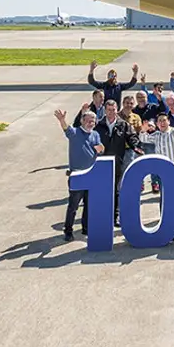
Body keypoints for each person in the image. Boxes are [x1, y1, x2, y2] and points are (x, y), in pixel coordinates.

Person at [136, 112, 174, 240]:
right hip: (163, 170)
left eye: (164, 120)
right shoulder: (155, 135)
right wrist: (143, 130)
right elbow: (143, 139)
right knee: (164, 196)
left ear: (168, 121)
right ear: (156, 124)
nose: (162, 122)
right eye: (159, 120)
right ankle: (164, 221)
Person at [55, 107, 104, 241]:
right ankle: (68, 231)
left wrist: (101, 149)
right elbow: (66, 129)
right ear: (82, 121)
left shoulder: (95, 134)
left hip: (91, 174)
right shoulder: (75, 132)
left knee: (89, 205)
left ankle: (86, 228)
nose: (91, 123)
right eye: (88, 121)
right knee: (73, 205)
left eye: (93, 121)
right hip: (76, 174)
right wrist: (62, 120)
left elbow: (100, 148)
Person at [93, 98, 138, 227]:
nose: (111, 112)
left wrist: (136, 146)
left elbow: (132, 137)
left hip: (118, 161)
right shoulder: (98, 125)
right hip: (102, 162)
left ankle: (115, 216)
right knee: (103, 189)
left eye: (113, 110)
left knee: (116, 190)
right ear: (105, 111)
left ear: (117, 110)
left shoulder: (123, 124)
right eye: (109, 110)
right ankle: (103, 215)